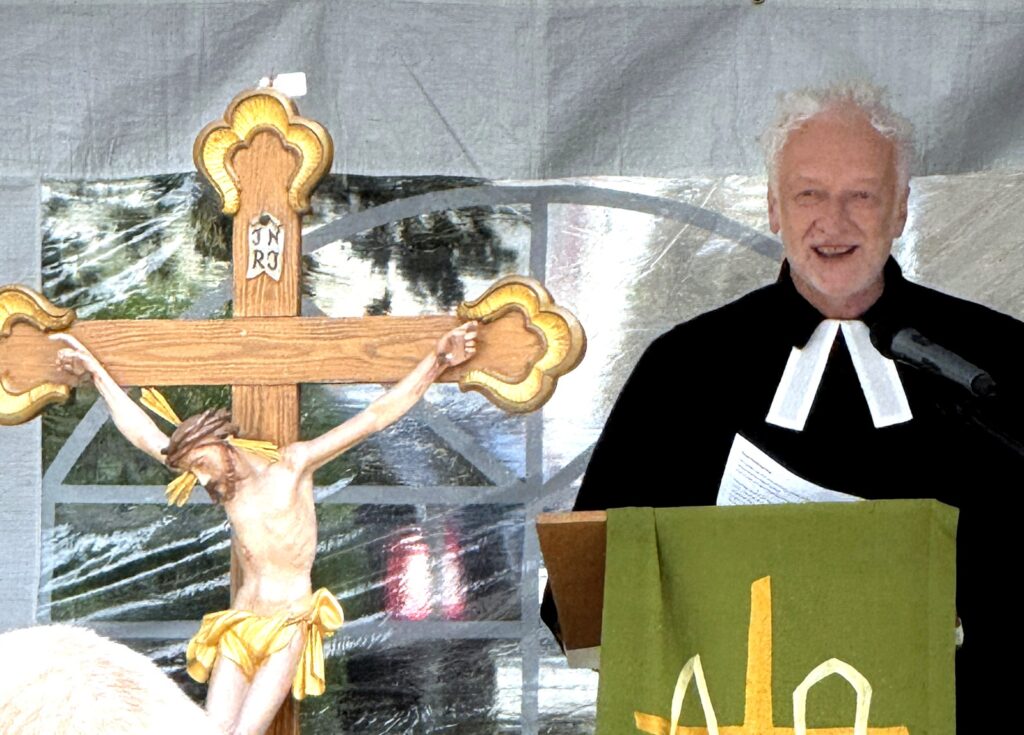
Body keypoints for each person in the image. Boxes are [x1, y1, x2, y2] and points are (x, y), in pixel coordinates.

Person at [554, 83, 1024, 723]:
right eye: (809, 195)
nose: (835, 221)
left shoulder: (995, 358)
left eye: (862, 195)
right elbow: (589, 598)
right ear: (774, 208)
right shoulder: (685, 368)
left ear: (900, 210)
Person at [53, 321, 477, 735]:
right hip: (241, 622)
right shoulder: (229, 489)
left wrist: (437, 360)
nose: (201, 478)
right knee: (211, 729)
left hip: (288, 623)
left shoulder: (292, 468)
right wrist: (95, 372)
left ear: (219, 442)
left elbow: (376, 415)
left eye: (200, 464)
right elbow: (145, 435)